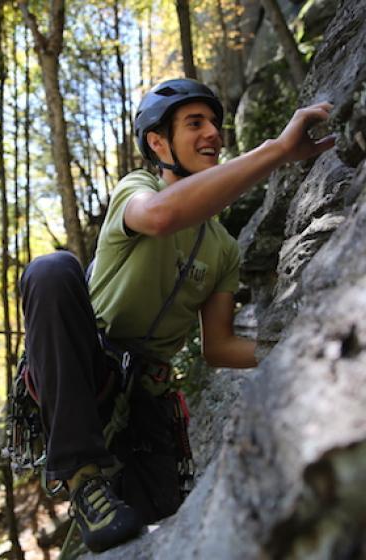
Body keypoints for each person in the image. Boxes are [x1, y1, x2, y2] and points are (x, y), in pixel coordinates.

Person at [19, 78, 335, 553]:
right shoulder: (138, 189)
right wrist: (275, 151)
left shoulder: (224, 249)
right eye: (195, 123)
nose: (213, 133)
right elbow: (162, 216)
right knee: (51, 269)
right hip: (86, 374)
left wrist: (298, 344)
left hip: (150, 404)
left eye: (214, 123)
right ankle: (83, 478)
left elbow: (220, 346)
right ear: (158, 142)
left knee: (150, 537)